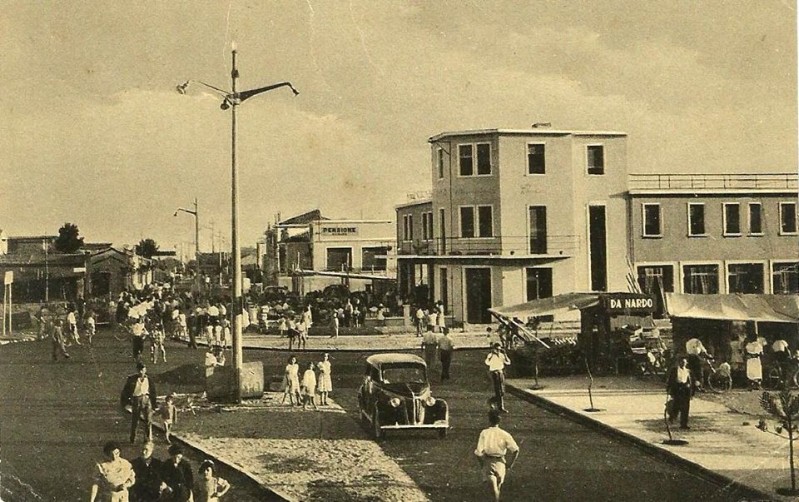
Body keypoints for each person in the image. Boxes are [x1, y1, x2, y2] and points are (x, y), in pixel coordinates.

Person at [474, 410, 520, 502]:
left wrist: (482, 464)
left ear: (489, 420)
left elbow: (478, 452)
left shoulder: (484, 433)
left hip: (488, 461)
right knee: (497, 488)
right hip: (501, 463)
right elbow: (515, 450)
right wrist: (510, 464)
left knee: (492, 490)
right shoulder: (504, 434)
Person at [121, 362, 159, 444]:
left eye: (143, 370)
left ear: (145, 370)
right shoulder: (132, 379)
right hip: (136, 400)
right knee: (135, 420)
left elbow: (153, 392)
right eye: (140, 370)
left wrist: (154, 404)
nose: (141, 372)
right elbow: (125, 391)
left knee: (148, 420)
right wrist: (125, 403)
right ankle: (133, 437)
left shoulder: (149, 379)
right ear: (137, 370)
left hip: (146, 399)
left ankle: (147, 438)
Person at [666, 355, 694, 429]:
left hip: (685, 390)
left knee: (685, 407)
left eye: (684, 362)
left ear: (686, 363)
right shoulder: (674, 370)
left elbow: (690, 381)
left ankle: (683, 424)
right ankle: (672, 416)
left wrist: (691, 391)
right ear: (678, 363)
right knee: (676, 405)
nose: (683, 364)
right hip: (677, 389)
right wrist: (669, 390)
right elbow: (670, 380)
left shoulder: (688, 371)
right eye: (681, 362)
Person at [485, 343, 511, 413]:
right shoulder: (490, 355)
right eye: (496, 349)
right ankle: (501, 407)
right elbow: (487, 362)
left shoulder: (501, 355)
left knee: (502, 391)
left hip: (500, 372)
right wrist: (491, 356)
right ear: (493, 349)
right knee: (498, 390)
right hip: (494, 373)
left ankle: (491, 401)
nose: (498, 351)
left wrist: (505, 355)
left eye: (499, 349)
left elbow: (508, 362)